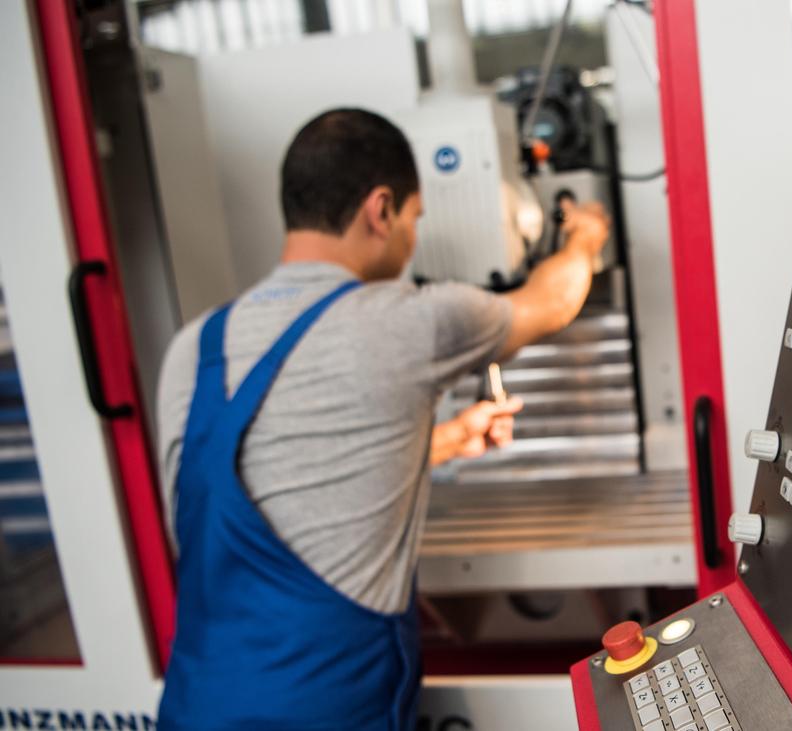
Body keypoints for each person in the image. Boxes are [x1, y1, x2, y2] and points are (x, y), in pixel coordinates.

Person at [153, 108, 608, 729]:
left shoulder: (193, 347)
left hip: (194, 707)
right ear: (381, 209)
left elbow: (280, 479)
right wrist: (586, 235)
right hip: (327, 713)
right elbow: (552, 301)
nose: (413, 239)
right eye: (416, 219)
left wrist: (445, 440)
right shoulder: (406, 321)